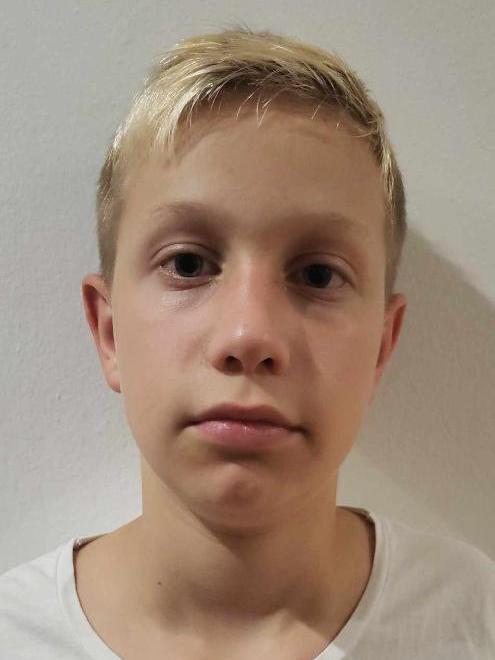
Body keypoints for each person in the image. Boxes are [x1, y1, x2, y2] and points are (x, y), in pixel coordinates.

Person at [1, 25, 494, 660]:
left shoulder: (474, 621)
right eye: (187, 264)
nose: (249, 334)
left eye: (318, 275)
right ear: (110, 332)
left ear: (380, 347)